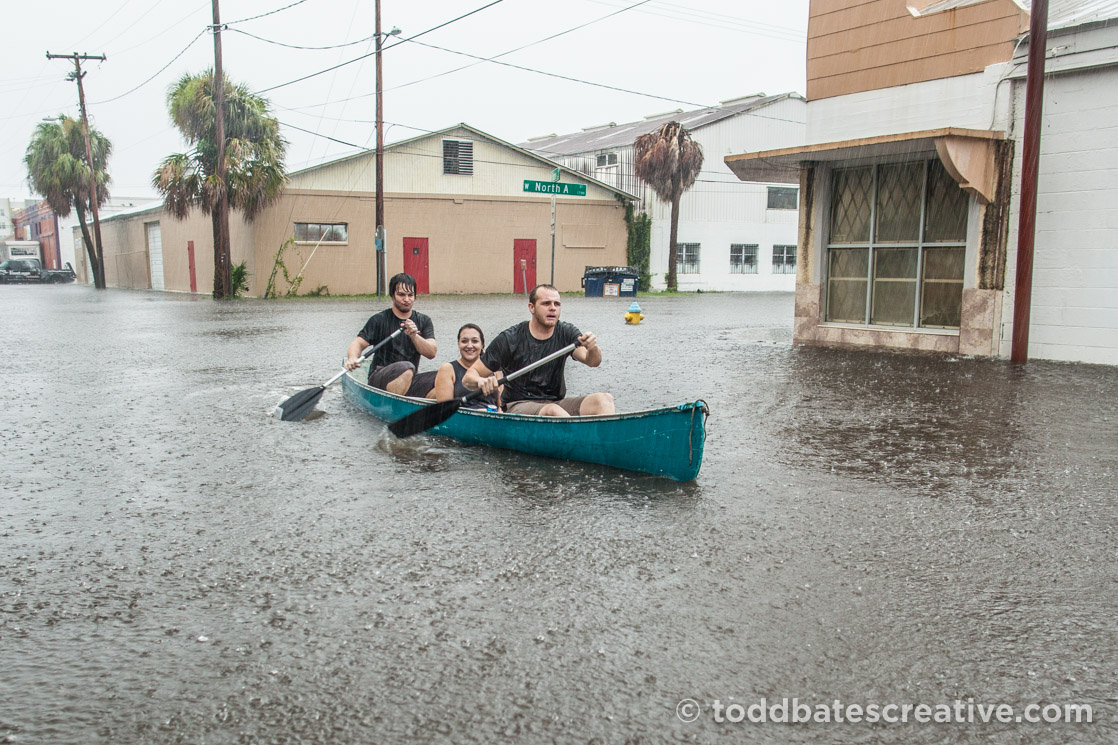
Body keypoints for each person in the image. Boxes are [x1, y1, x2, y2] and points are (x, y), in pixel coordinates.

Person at [463, 284, 615, 417]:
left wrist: (593, 347)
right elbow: (468, 378)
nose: (553, 308)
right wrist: (481, 381)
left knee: (604, 400)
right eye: (546, 303)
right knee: (552, 411)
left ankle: (608, 445)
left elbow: (592, 361)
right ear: (532, 307)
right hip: (518, 405)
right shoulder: (509, 338)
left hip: (556, 402)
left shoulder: (566, 332)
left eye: (557, 304)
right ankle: (582, 443)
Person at [344, 272, 437, 397]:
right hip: (380, 376)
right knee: (406, 368)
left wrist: (414, 336)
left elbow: (431, 353)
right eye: (401, 295)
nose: (406, 299)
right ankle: (395, 406)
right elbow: (358, 343)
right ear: (392, 295)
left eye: (410, 295)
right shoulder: (378, 320)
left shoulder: (424, 320)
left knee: (443, 377)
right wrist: (353, 358)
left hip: (409, 377)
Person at [432, 323, 499, 409]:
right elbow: (445, 409)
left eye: (475, 341)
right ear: (458, 344)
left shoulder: (494, 369)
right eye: (464, 341)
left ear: (482, 344)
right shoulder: (447, 369)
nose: (470, 346)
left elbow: (500, 406)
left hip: (492, 418)